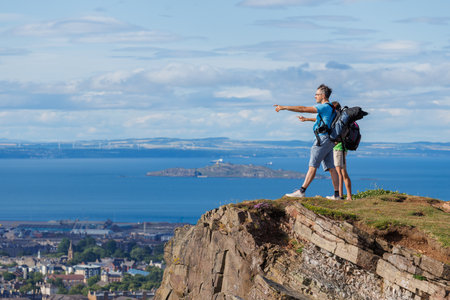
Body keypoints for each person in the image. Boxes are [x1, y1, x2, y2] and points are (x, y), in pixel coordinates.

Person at [274, 84, 340, 199]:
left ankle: (301, 191)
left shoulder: (324, 107)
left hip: (322, 139)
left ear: (323, 96)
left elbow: (303, 108)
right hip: (329, 140)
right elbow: (322, 120)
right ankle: (337, 195)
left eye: (317, 94)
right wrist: (306, 120)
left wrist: (284, 107)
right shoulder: (331, 108)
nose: (315, 96)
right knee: (331, 167)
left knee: (313, 166)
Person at [330, 101, 352, 201]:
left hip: (338, 148)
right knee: (343, 172)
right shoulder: (343, 119)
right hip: (343, 148)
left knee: (339, 172)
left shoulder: (337, 119)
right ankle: (349, 196)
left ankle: (339, 196)